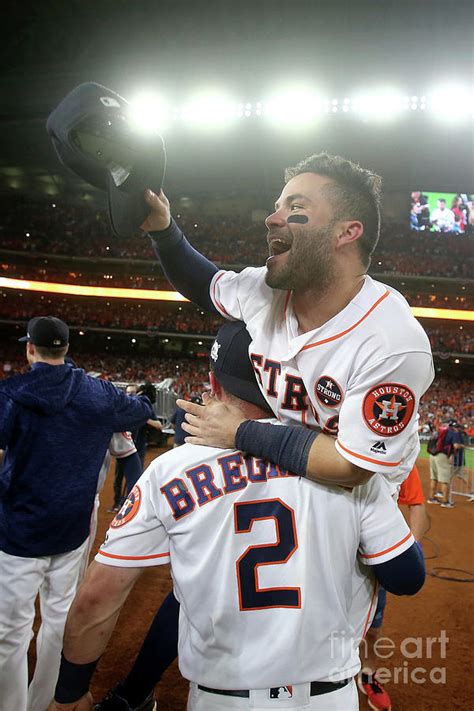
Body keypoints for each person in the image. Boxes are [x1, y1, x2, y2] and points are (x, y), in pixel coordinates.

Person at [47, 322, 425, 711]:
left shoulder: (169, 470)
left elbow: (96, 599)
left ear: (212, 382)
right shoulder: (346, 468)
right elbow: (408, 577)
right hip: (330, 695)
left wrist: (71, 691)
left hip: (221, 698)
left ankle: (133, 693)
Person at [141, 152, 434, 495]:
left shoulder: (391, 341)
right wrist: (163, 229)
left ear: (346, 233)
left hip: (359, 497)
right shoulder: (265, 290)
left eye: (295, 209)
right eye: (277, 206)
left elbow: (350, 467)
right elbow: (204, 283)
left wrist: (241, 432)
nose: (271, 219)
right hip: (284, 457)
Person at [0, 316, 154, 711]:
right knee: (57, 623)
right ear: (66, 350)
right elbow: (140, 409)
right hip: (71, 529)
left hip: (18, 530)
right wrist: (140, 398)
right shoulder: (97, 393)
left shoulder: (12, 394)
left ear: (30, 349)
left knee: (9, 634)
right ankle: (41, 704)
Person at [358, 464, 428, 711]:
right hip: (330, 552)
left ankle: (367, 673)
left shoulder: (399, 458)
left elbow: (416, 504)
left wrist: (412, 551)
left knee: (373, 629)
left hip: (375, 553)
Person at [427, 419, 460, 507]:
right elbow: (456, 446)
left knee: (433, 477)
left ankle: (431, 498)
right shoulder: (453, 433)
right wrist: (462, 446)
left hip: (432, 455)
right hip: (442, 456)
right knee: (445, 479)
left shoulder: (440, 430)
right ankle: (445, 501)